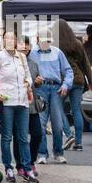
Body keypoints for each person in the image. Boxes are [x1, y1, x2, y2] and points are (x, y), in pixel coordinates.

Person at [0, 32, 37, 183]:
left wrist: (28, 83)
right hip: (7, 101)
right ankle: (8, 167)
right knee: (7, 136)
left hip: (22, 101)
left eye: (12, 38)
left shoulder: (21, 57)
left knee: (23, 137)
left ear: (16, 41)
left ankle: (27, 167)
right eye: (6, 38)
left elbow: (28, 75)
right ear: (3, 40)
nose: (9, 40)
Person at [32, 30, 73, 165]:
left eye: (48, 40)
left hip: (56, 88)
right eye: (43, 40)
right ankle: (42, 153)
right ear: (38, 39)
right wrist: (33, 81)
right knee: (41, 123)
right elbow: (28, 71)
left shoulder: (57, 52)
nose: (46, 42)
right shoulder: (32, 53)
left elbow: (68, 70)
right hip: (40, 88)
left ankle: (58, 153)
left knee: (57, 123)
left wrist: (66, 85)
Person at [58, 20, 92, 151]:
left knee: (57, 107)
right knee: (76, 110)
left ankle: (68, 134)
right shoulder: (77, 43)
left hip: (63, 80)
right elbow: (86, 63)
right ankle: (78, 143)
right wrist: (90, 81)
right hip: (78, 79)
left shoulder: (56, 46)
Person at [19, 37, 43, 171]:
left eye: (27, 44)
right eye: (22, 44)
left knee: (37, 134)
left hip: (32, 105)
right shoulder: (14, 62)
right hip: (18, 104)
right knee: (20, 137)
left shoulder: (33, 64)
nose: (24, 47)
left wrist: (39, 82)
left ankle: (31, 161)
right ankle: (20, 164)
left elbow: (37, 85)